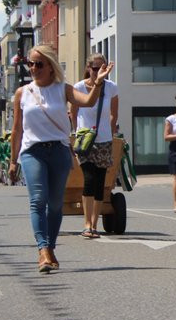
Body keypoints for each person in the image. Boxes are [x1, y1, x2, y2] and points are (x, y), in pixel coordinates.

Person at [9, 45, 111, 272]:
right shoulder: (22, 93)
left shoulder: (62, 90)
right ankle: (43, 250)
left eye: (39, 64)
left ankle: (51, 248)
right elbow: (17, 130)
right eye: (30, 63)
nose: (34, 68)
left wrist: (98, 82)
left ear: (51, 66)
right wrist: (13, 161)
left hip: (59, 151)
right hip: (32, 151)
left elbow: (88, 102)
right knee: (38, 200)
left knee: (55, 205)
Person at [70, 53, 119, 236]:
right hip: (85, 140)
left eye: (102, 68)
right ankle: (87, 224)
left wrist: (111, 132)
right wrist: (76, 132)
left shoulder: (111, 88)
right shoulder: (79, 87)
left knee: (100, 183)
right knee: (89, 180)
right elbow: (73, 112)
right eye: (95, 68)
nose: (98, 71)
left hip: (104, 139)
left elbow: (114, 113)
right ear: (88, 68)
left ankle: (95, 224)